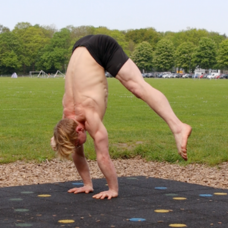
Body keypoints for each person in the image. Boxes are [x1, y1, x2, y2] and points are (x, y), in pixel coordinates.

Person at [51, 35, 192, 200]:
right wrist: (87, 184)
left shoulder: (90, 116)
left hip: (101, 47)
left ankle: (178, 127)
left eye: (77, 143)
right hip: (80, 48)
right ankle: (88, 183)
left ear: (80, 128)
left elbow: (103, 156)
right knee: (68, 143)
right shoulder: (66, 119)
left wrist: (112, 189)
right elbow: (70, 148)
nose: (79, 146)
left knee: (137, 86)